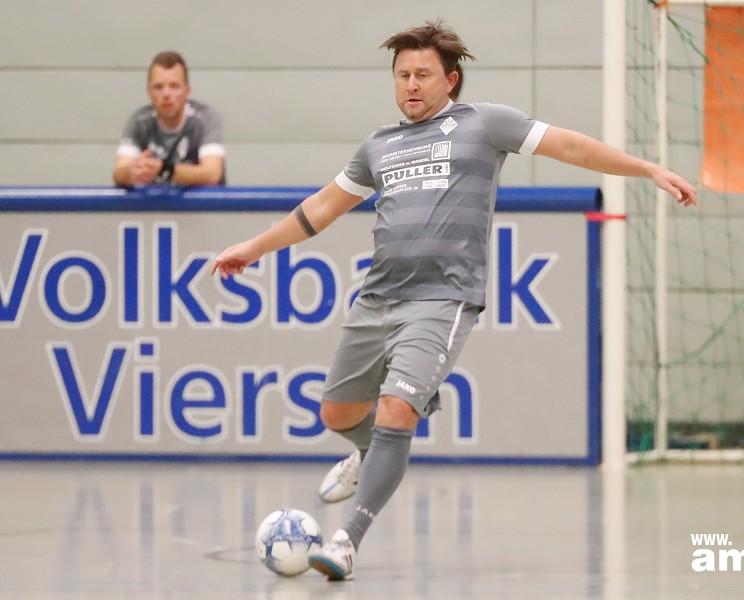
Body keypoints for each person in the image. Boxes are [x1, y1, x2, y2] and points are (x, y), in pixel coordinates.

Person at [210, 21, 696, 581]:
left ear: (451, 80)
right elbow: (319, 209)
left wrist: (648, 169)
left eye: (423, 74)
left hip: (442, 298)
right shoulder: (378, 146)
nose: (411, 85)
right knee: (337, 413)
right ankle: (368, 454)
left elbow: (569, 146)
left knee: (395, 411)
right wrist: (254, 248)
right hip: (379, 296)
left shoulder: (484, 124)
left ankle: (346, 542)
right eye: (402, 75)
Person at [113, 51, 225, 187]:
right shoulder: (139, 121)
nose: (166, 94)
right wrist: (133, 171)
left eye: (174, 86)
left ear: (187, 91)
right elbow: (119, 173)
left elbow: (212, 174)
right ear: (149, 92)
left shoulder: (206, 118)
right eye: (158, 87)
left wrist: (164, 170)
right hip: (154, 201)